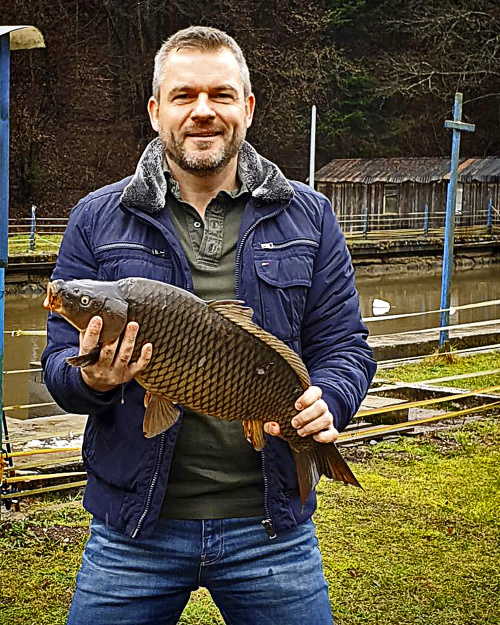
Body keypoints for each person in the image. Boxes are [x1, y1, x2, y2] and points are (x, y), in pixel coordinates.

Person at [42, 26, 376, 625]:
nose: (203, 111)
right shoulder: (95, 217)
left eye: (221, 95)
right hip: (134, 530)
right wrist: (94, 381)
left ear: (246, 108)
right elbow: (58, 370)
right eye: (183, 96)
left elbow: (345, 346)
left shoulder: (310, 214)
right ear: (155, 111)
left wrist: (330, 400)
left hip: (269, 530)